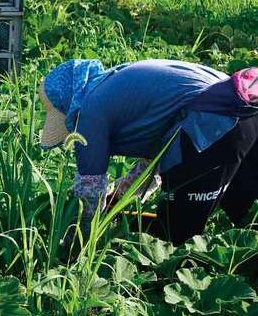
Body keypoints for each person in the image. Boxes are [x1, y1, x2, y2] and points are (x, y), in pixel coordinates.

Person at [40, 59, 258, 245]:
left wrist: (76, 241)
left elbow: (90, 188)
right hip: (248, 112)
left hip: (212, 125)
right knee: (242, 215)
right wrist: (124, 195)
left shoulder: (90, 114)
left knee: (177, 238)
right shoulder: (118, 82)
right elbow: (158, 152)